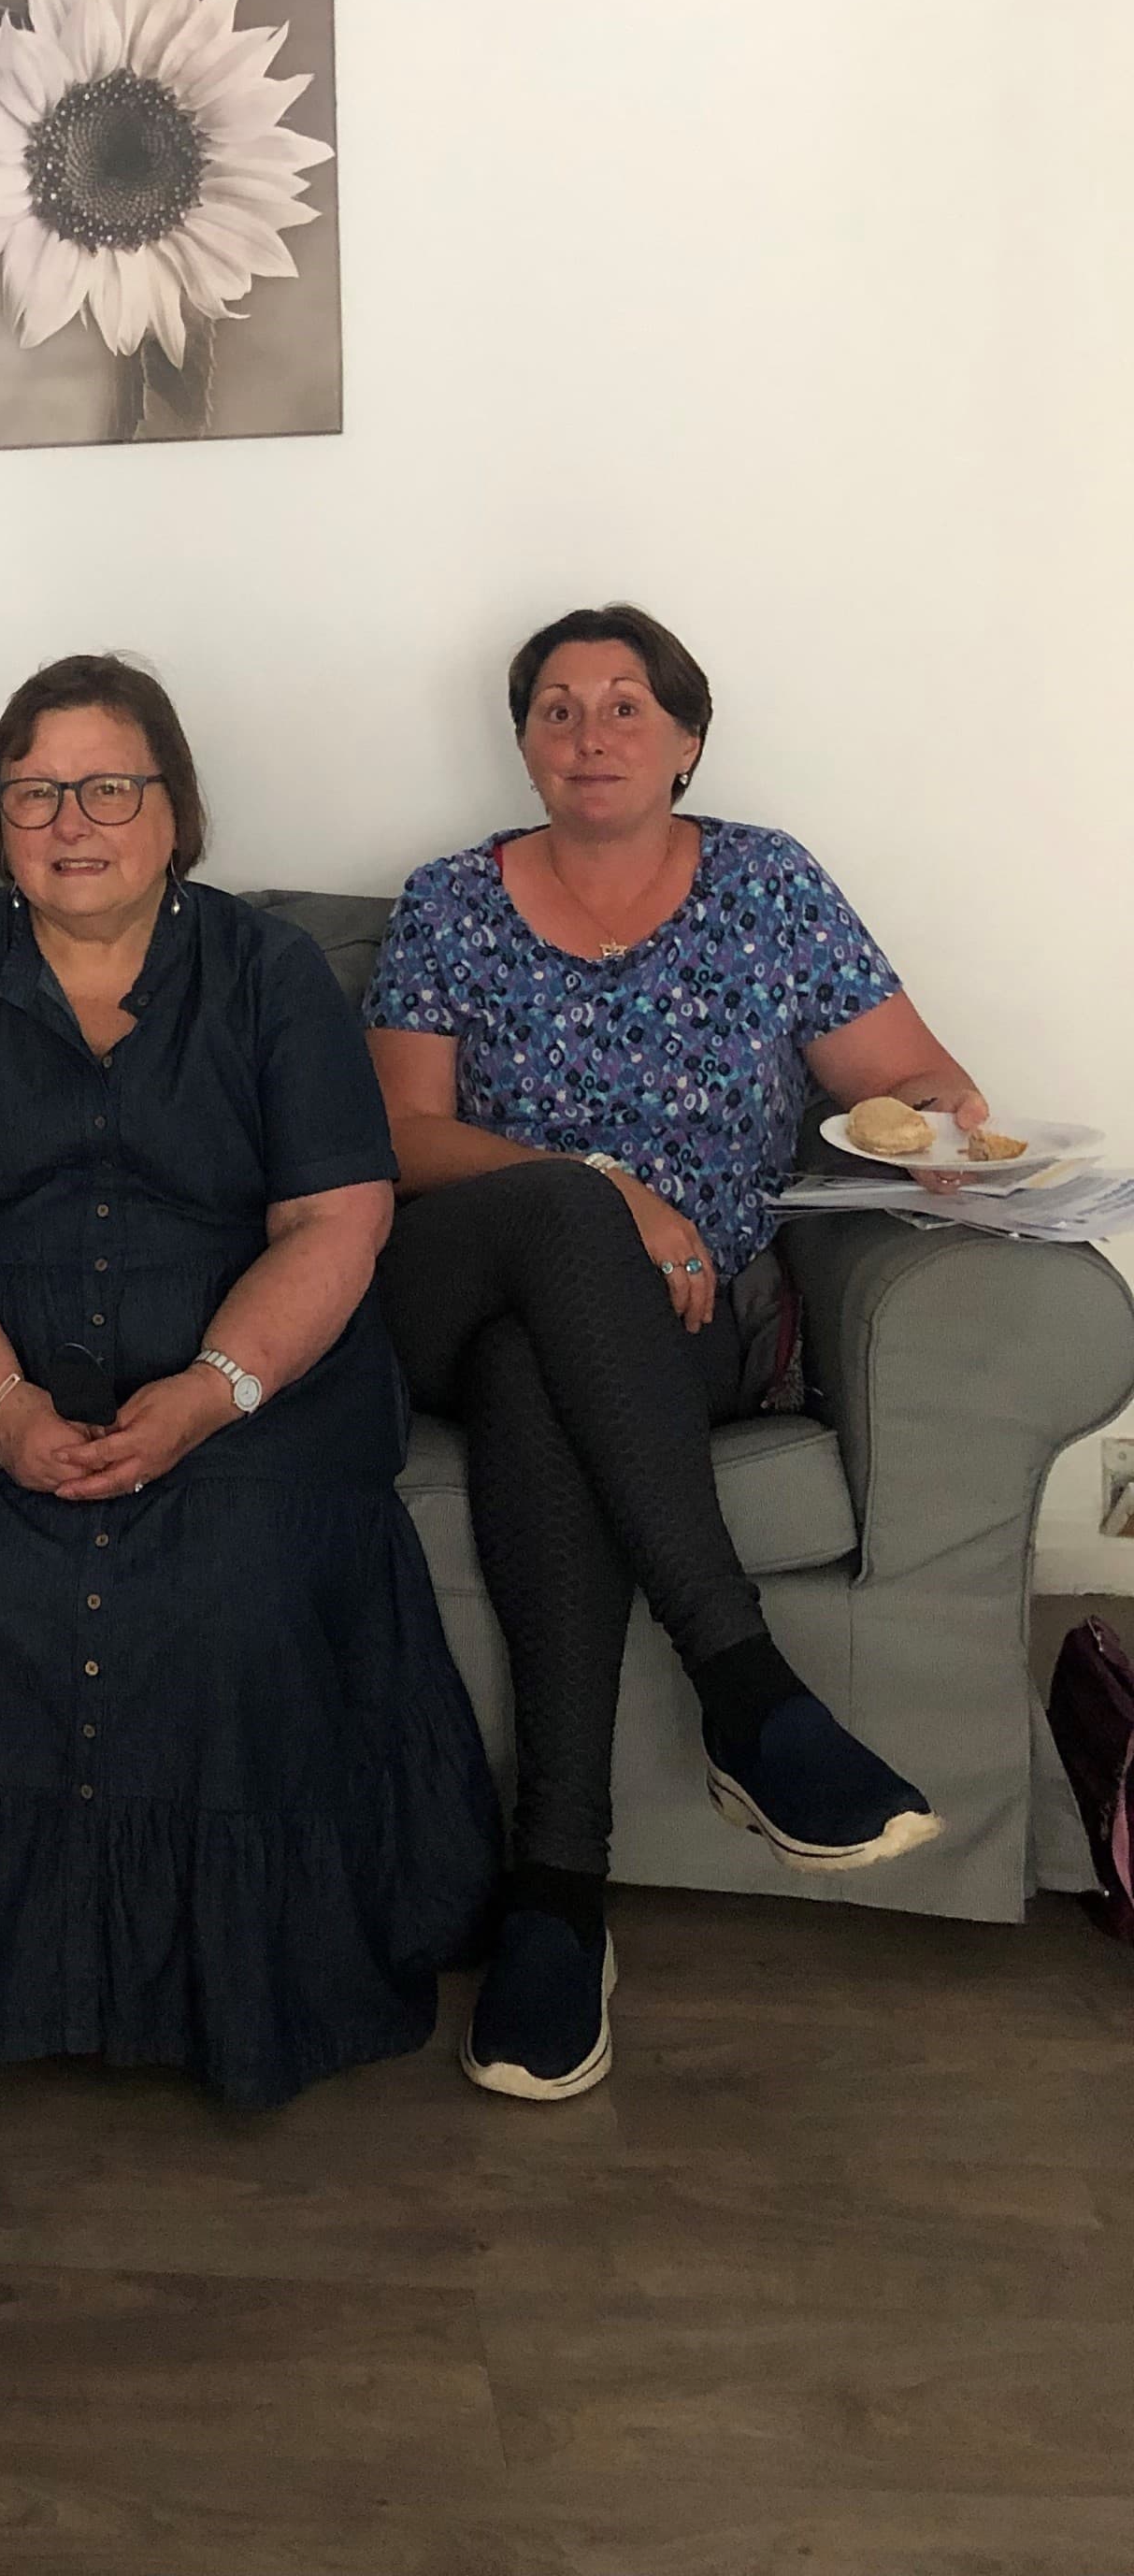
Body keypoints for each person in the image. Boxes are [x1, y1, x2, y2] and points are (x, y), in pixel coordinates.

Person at [0, 653, 498, 2113]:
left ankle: (231, 1979)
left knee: (234, 1581)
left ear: (177, 810)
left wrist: (211, 1390)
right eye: (34, 791)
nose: (75, 819)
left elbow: (338, 1218)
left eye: (110, 786)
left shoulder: (271, 976)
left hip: (254, 1380)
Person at [367, 601, 983, 2106]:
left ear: (688, 738)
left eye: (627, 707)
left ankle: (556, 1894)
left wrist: (931, 1138)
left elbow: (918, 1078)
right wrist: (610, 1193)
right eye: (559, 709)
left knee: (539, 1379)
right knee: (555, 1246)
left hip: (687, 1332)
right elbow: (399, 1136)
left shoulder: (768, 886)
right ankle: (749, 1690)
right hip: (451, 1275)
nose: (592, 735)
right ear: (522, 740)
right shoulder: (451, 901)